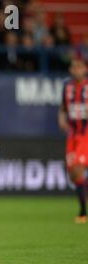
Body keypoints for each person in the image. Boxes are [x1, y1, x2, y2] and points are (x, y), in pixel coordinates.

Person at [58, 57, 88, 224]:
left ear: (85, 69)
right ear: (71, 70)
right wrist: (61, 119)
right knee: (72, 174)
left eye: (80, 67)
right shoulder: (67, 87)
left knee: (78, 169)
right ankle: (83, 210)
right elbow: (62, 108)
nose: (77, 70)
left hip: (86, 134)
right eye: (74, 67)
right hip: (72, 134)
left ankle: (83, 212)